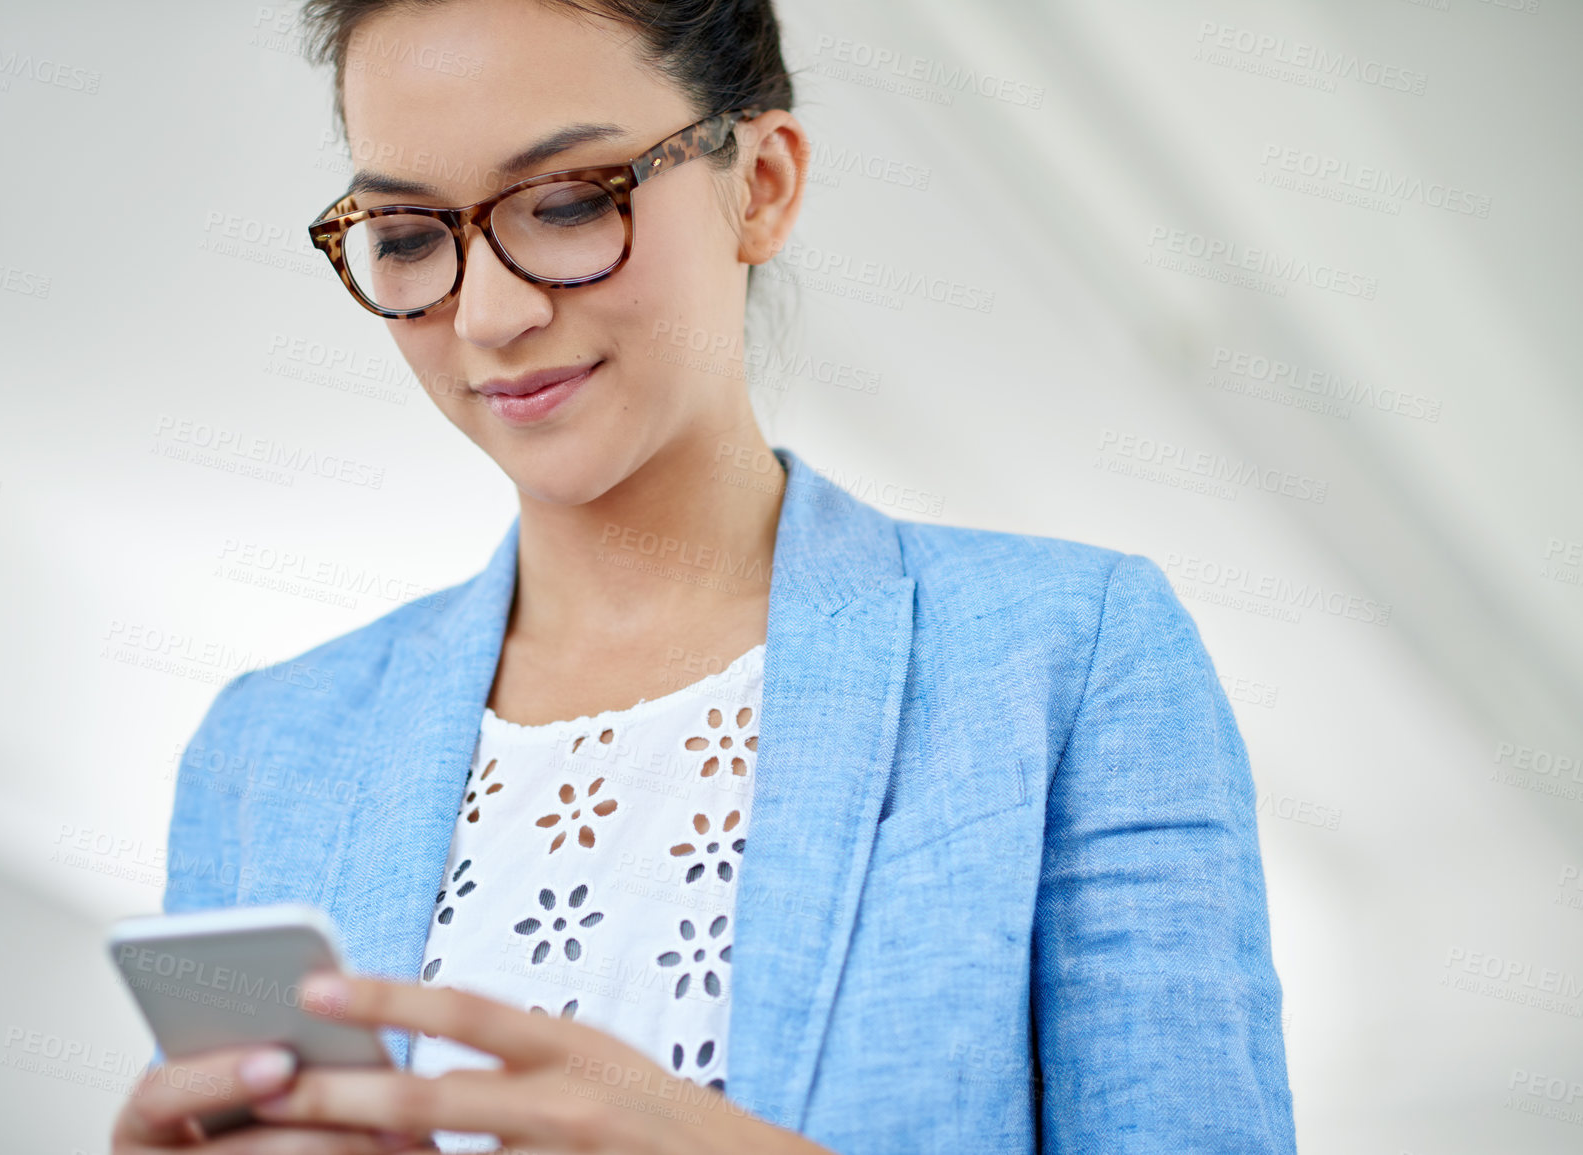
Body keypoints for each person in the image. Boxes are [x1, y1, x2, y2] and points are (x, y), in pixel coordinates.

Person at [113, 0, 1298, 1151]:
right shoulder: (267, 750)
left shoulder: (1069, 655)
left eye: (569, 203)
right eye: (411, 238)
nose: (487, 313)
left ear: (763, 184)